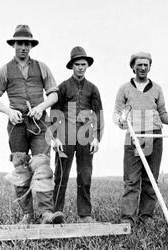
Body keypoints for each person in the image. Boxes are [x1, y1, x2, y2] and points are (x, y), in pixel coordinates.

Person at [0, 25, 64, 224]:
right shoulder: (4, 70)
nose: (23, 47)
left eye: (27, 44)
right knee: (21, 168)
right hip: (17, 125)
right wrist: (9, 111)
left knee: (42, 165)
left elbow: (54, 94)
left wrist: (42, 107)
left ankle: (46, 213)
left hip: (39, 122)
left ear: (31, 46)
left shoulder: (42, 67)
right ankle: (28, 214)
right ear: (14, 44)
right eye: (20, 43)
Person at [113, 52, 168, 227]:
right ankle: (128, 218)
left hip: (154, 136)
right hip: (133, 137)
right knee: (132, 180)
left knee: (151, 179)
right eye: (139, 65)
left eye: (146, 65)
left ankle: (146, 217)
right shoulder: (124, 89)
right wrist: (120, 120)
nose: (142, 68)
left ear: (150, 67)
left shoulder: (157, 89)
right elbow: (117, 112)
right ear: (133, 67)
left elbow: (162, 113)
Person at [50, 46, 104, 223]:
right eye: (77, 64)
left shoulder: (93, 89)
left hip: (86, 135)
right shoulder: (63, 87)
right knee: (61, 175)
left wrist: (96, 138)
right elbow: (54, 113)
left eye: (83, 64)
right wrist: (55, 137)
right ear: (72, 65)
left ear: (87, 66)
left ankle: (85, 214)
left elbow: (98, 114)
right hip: (65, 135)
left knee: (85, 175)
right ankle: (56, 212)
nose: (80, 67)